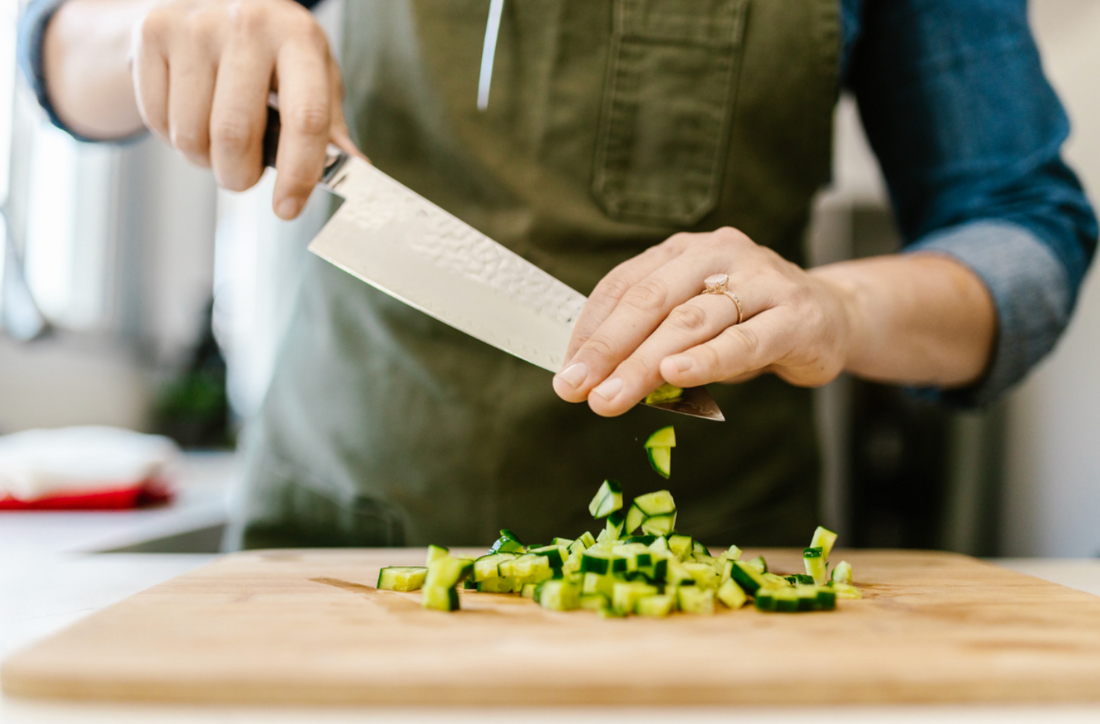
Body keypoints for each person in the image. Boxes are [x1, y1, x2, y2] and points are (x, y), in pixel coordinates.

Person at [18, 0, 1097, 548]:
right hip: (334, 550)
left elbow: (1021, 224)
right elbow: (60, 50)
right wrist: (152, 30)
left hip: (712, 579)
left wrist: (839, 304)